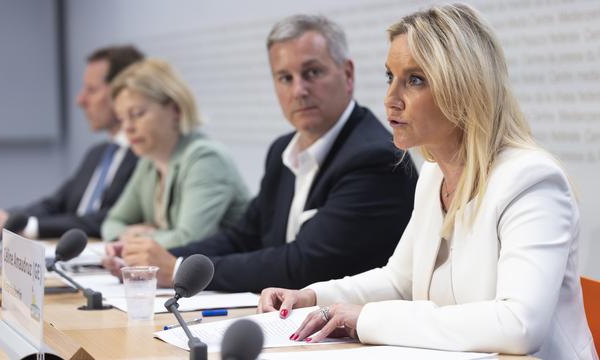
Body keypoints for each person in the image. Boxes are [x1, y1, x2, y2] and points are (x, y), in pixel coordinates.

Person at [258, 4, 598, 359]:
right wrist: (314, 297)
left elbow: (519, 325)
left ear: (464, 88)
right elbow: (399, 281)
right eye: (391, 77)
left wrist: (368, 318)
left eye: (415, 80)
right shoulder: (434, 176)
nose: (391, 99)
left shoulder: (531, 181)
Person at [103, 15, 417, 292]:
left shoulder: (374, 158)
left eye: (312, 73)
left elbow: (304, 264)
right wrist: (159, 258)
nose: (298, 90)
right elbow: (242, 236)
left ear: (347, 75)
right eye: (285, 78)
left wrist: (180, 269)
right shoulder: (282, 150)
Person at [0, 45, 143, 239]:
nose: (80, 100)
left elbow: (105, 220)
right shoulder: (97, 153)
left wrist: (29, 227)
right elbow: (54, 204)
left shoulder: (145, 155)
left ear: (123, 93)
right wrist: (6, 218)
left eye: (92, 90)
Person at [101, 59, 250, 283]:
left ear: (175, 109)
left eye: (138, 114)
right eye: (122, 119)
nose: (128, 128)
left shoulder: (206, 158)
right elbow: (112, 221)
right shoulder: (149, 162)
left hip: (230, 284)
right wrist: (129, 237)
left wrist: (139, 236)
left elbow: (188, 238)